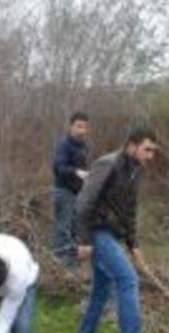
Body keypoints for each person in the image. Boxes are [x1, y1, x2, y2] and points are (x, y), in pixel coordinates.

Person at [73, 126, 159, 333]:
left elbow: (129, 211)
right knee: (128, 279)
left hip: (112, 234)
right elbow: (84, 202)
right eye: (147, 149)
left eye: (153, 151)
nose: (150, 156)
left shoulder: (135, 170)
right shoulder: (107, 164)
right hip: (97, 232)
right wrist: (84, 240)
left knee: (100, 291)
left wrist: (134, 245)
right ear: (132, 145)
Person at [51, 112, 91, 268]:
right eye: (78, 126)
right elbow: (59, 168)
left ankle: (72, 265)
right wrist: (76, 171)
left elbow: (85, 168)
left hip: (78, 193)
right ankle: (59, 265)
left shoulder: (84, 147)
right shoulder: (64, 145)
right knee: (63, 228)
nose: (81, 130)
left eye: (85, 127)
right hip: (64, 192)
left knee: (75, 228)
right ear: (71, 126)